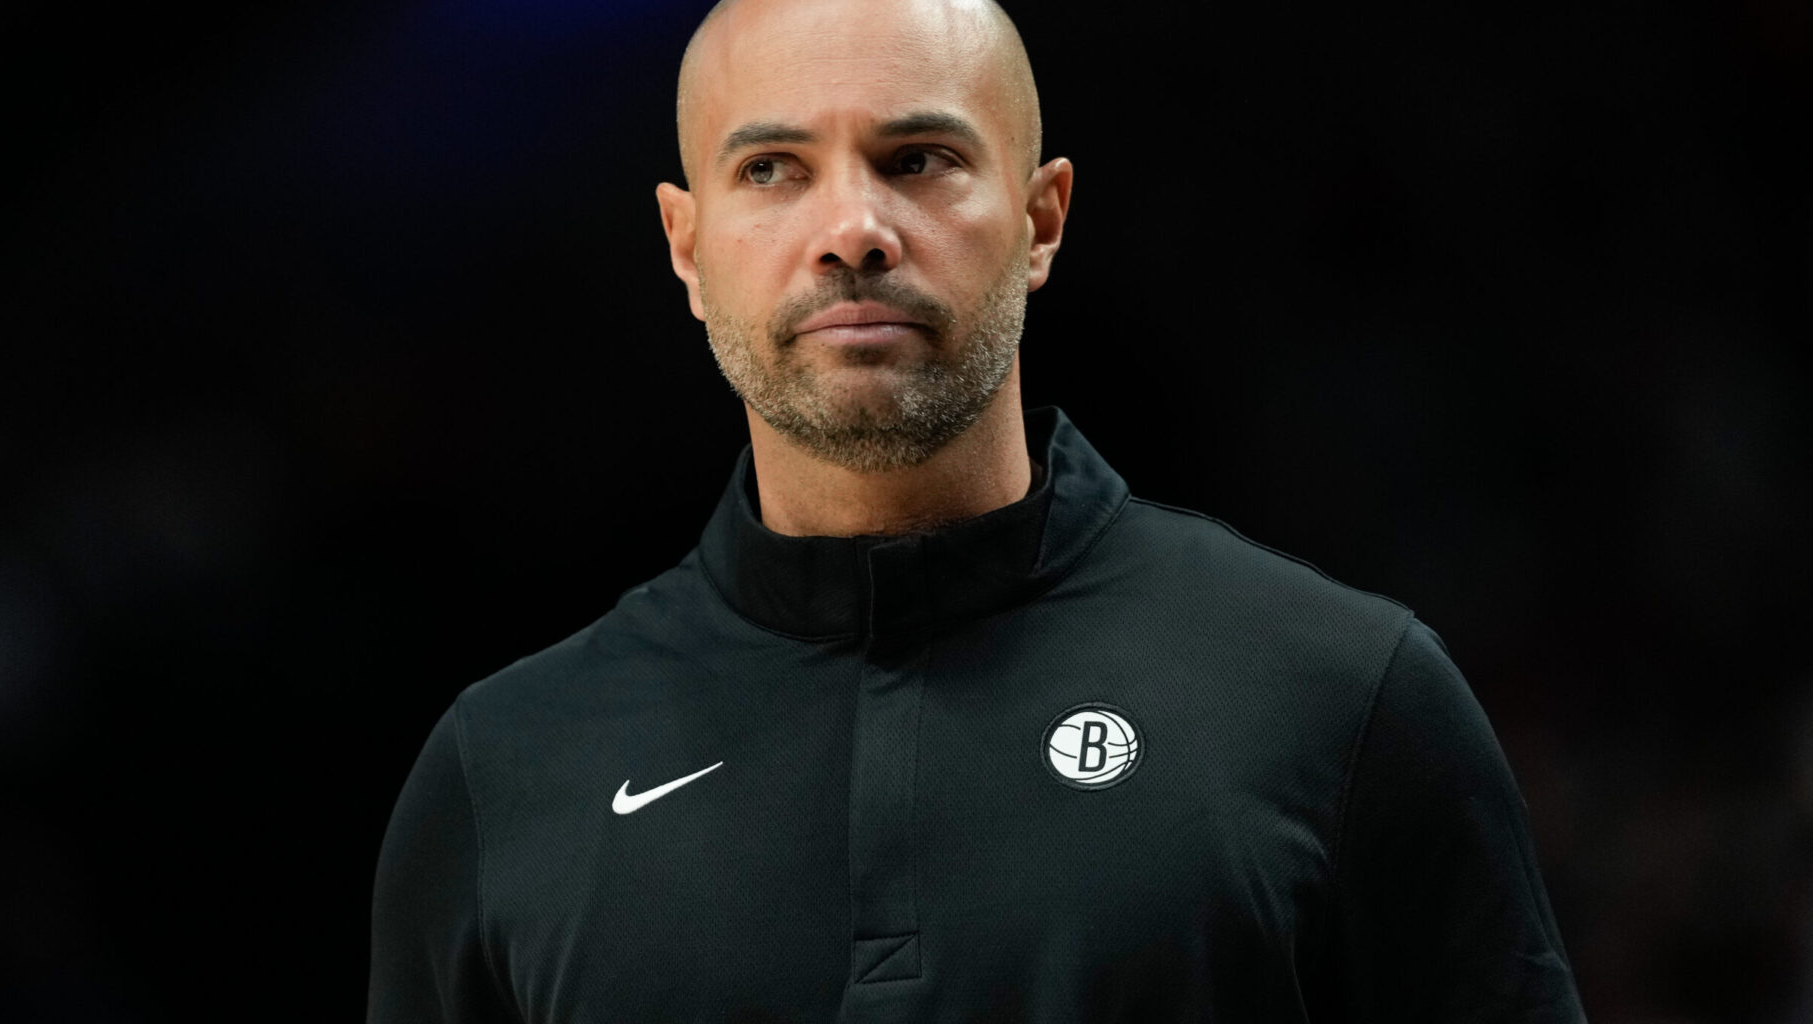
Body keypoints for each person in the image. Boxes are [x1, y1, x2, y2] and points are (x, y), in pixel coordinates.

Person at [367, 0, 1586, 1019]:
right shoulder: (506, 774)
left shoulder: (1342, 696)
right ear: (687, 247)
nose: (851, 231)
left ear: (1041, 218)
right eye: (771, 169)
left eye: (918, 159)